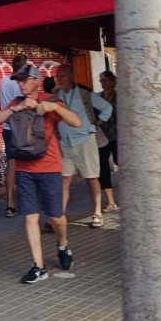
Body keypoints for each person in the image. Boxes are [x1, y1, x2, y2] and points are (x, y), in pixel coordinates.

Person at [0, 65, 82, 283]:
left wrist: (53, 108)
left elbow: (76, 122)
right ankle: (38, 266)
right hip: (24, 170)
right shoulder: (16, 103)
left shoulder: (50, 100)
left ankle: (63, 244)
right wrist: (18, 108)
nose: (21, 84)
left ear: (36, 81)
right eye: (18, 81)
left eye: (24, 80)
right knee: (30, 217)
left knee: (56, 217)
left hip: (50, 168)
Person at [55, 64, 112, 229]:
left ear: (71, 77)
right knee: (64, 179)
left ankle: (97, 213)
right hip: (65, 143)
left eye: (62, 76)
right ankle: (60, 215)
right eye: (57, 77)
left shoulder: (84, 94)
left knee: (91, 178)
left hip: (85, 141)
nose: (59, 80)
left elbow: (107, 108)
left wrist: (97, 123)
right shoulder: (56, 95)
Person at [0, 54, 27, 217]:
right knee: (28, 162)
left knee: (11, 164)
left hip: (7, 127)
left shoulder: (2, 81)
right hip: (21, 129)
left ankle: (10, 203)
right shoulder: (20, 84)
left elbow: (0, 105)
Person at [97, 71, 119, 212]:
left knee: (122, 163)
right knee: (103, 168)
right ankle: (111, 201)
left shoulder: (120, 97)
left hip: (118, 136)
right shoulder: (97, 97)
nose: (103, 83)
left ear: (113, 80)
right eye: (101, 80)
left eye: (105, 80)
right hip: (102, 137)